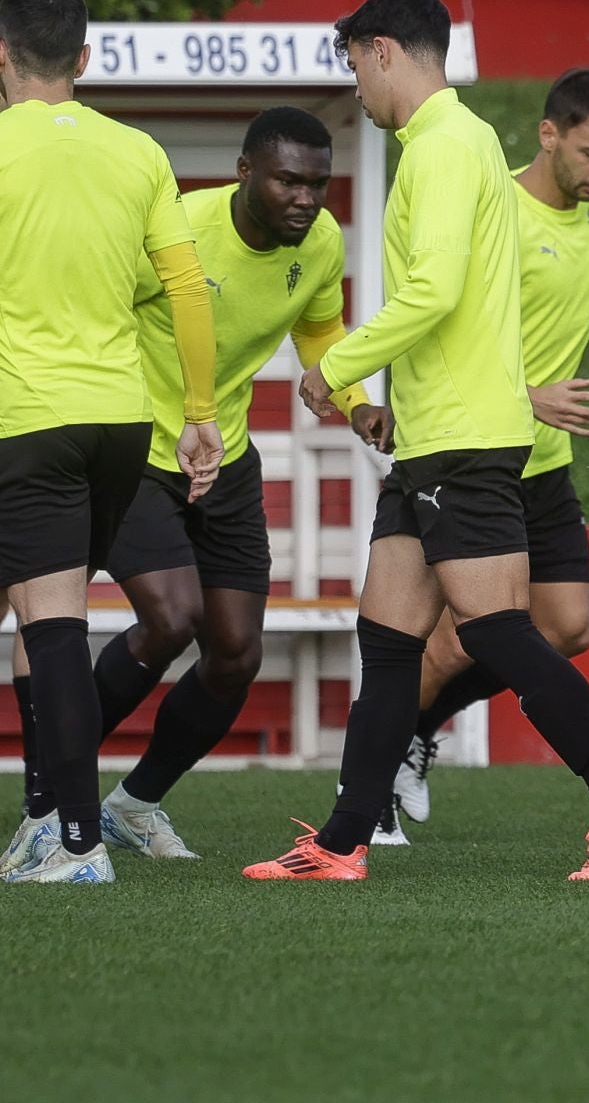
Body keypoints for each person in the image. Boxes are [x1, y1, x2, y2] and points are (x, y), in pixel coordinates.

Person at [242, 0, 589, 882]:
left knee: (500, 634)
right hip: (438, 435)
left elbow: (433, 292)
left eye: (354, 65)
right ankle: (342, 842)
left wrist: (337, 367)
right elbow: (465, 297)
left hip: (467, 439)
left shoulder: (440, 148)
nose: (355, 87)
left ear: (382, 51)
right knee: (391, 642)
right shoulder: (467, 140)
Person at [76, 108, 388, 860]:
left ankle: (135, 803)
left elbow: (318, 328)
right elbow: (99, 314)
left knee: (236, 651)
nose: (306, 198)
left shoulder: (318, 243)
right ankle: (55, 790)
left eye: (317, 182)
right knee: (170, 618)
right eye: (288, 180)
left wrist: (356, 399)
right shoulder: (177, 228)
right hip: (136, 454)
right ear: (245, 171)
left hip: (229, 460)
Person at [390, 66, 589, 830]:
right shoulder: (504, 218)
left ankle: (416, 734)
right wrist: (528, 393)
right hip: (483, 448)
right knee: (456, 640)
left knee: (568, 627)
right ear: (547, 134)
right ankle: (381, 771)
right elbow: (451, 333)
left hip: (544, 460)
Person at [0, 0, 222, 884]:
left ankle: (79, 843)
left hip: (30, 418)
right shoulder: (138, 153)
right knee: (35, 610)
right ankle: (41, 824)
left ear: (3, 59)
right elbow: (187, 289)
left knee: (51, 621)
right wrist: (200, 414)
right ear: (85, 61)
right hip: (122, 426)